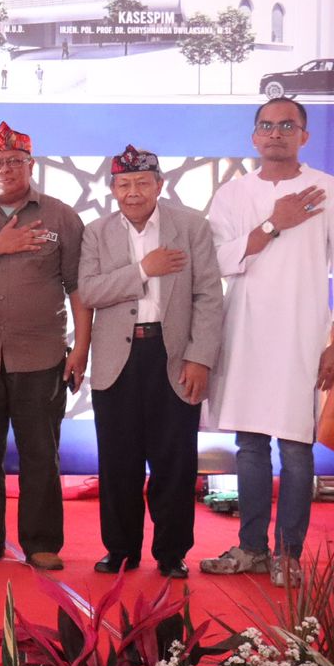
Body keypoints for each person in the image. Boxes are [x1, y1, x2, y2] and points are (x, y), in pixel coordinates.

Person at [200, 100, 334, 586]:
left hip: (303, 333)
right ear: (254, 136)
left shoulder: (331, 191)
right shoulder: (233, 194)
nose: (276, 133)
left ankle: (288, 554)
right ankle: (252, 548)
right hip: (245, 330)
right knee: (250, 444)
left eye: (287, 126)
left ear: (304, 136)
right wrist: (274, 223)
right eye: (267, 126)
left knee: (296, 446)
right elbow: (216, 260)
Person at [78, 145, 222, 580]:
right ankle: (120, 550)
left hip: (173, 354)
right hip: (117, 359)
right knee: (117, 460)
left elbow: (208, 296)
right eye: (124, 184)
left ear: (160, 184)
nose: (133, 192)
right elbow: (89, 292)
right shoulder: (96, 232)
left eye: (142, 182)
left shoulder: (191, 226)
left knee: (174, 459)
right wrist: (144, 269)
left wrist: (200, 357)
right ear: (112, 189)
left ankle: (172, 552)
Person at [0, 122, 88, 571]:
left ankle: (42, 542)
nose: (5, 169)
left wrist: (81, 348)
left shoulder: (61, 217)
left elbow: (78, 287)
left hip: (41, 357)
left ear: (31, 165)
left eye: (14, 161)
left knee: (41, 455)